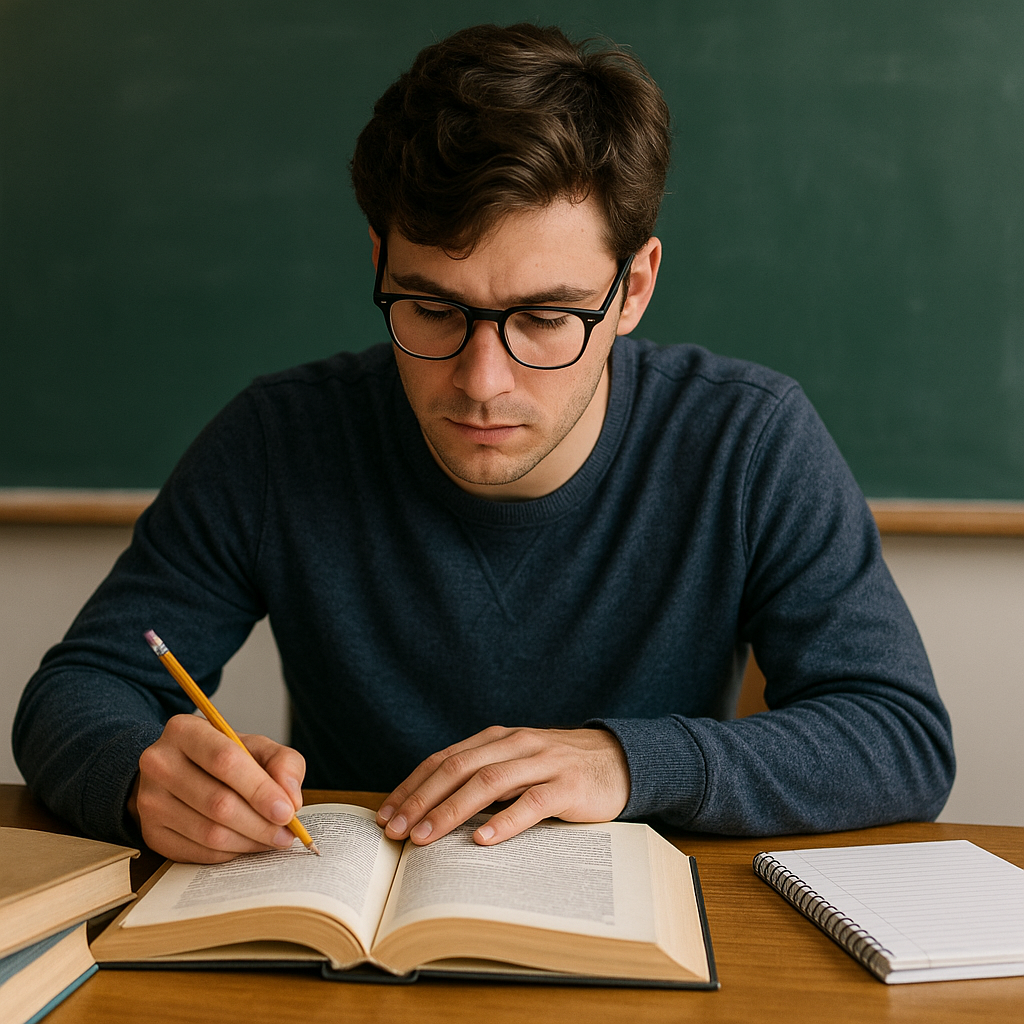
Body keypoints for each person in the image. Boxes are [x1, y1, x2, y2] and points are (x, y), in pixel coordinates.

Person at [14, 23, 954, 864]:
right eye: (432, 308)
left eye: (545, 317)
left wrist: (627, 760)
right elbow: (84, 687)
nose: (481, 382)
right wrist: (138, 774)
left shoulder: (748, 440)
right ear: (379, 260)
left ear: (633, 289)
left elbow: (898, 734)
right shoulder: (279, 438)